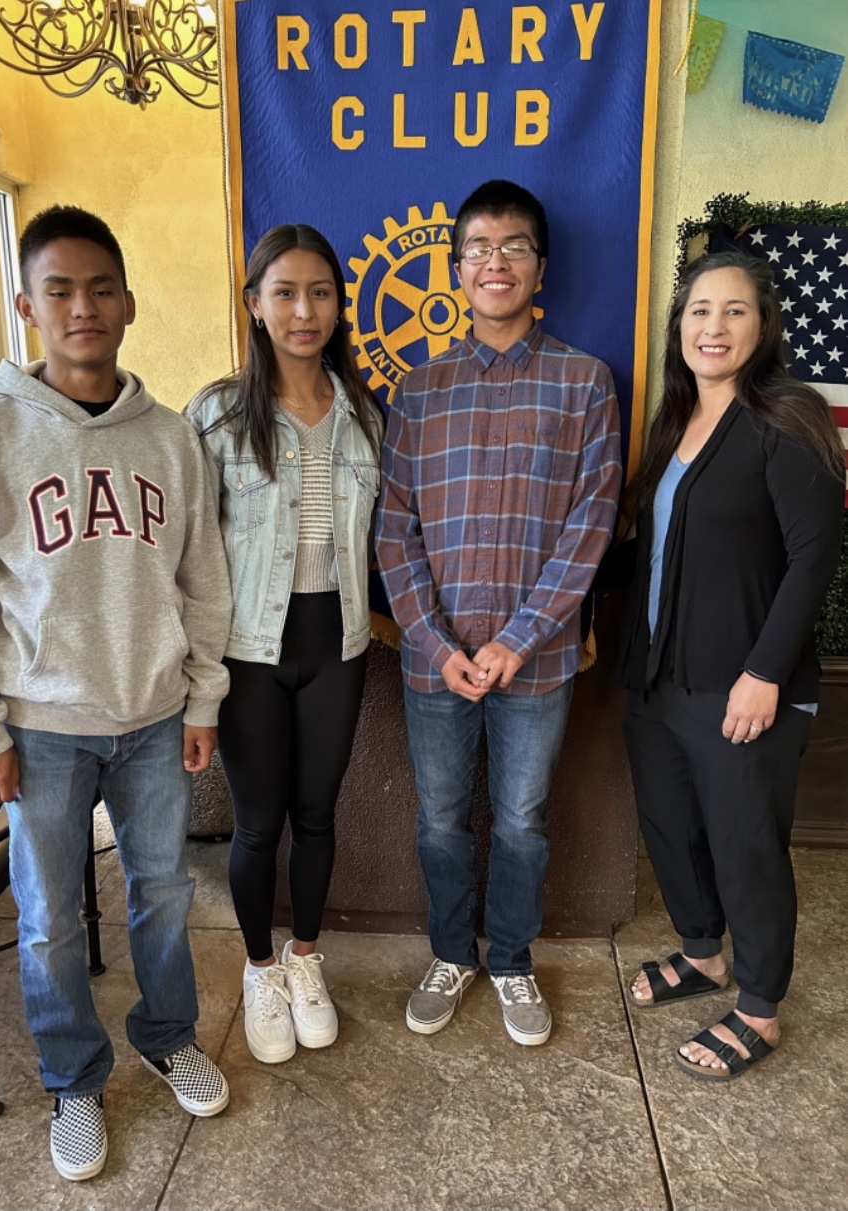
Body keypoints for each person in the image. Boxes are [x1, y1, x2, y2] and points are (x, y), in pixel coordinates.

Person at [0, 207, 233, 1180]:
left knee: (160, 894)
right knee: (46, 918)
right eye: (59, 290)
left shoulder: (170, 438)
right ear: (27, 305)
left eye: (99, 287)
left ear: (129, 304)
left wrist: (202, 700)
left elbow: (205, 576)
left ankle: (166, 1030)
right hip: (40, 728)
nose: (82, 306)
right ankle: (74, 1076)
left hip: (155, 717)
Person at [375, 179, 621, 1045]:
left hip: (540, 661)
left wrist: (517, 641)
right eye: (478, 247)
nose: (495, 261)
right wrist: (436, 643)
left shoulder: (584, 383)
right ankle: (452, 950)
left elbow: (592, 525)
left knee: (521, 818)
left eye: (513, 246)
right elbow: (393, 526)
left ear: (539, 267)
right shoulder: (418, 389)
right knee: (441, 818)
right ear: (454, 270)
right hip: (432, 659)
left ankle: (511, 959)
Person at [620, 250, 844, 1080]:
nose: (713, 327)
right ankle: (702, 954)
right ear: (679, 327)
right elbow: (652, 551)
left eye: (734, 310)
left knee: (746, 843)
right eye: (699, 311)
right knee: (672, 827)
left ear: (765, 325)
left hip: (742, 683)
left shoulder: (787, 417)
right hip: (658, 678)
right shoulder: (674, 421)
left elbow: (815, 555)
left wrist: (765, 673)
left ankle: (758, 1006)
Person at [188, 224, 383, 1065]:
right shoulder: (217, 414)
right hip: (247, 650)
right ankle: (260, 969)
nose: (305, 311)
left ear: (341, 306)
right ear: (255, 305)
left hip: (336, 640)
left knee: (317, 814)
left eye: (321, 294)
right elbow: (191, 554)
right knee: (259, 823)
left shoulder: (366, 413)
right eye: (285, 293)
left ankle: (307, 959)